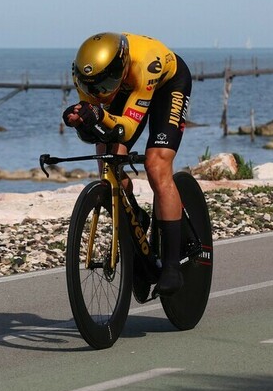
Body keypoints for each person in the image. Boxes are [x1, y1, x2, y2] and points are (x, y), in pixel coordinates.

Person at [62, 32, 192, 295]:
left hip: (165, 85)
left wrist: (100, 113)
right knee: (107, 164)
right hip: (125, 88)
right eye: (94, 87)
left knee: (156, 166)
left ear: (119, 68)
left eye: (104, 84)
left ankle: (171, 267)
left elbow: (128, 129)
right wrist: (80, 120)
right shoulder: (86, 75)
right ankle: (136, 218)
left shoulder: (146, 64)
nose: (99, 92)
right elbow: (95, 127)